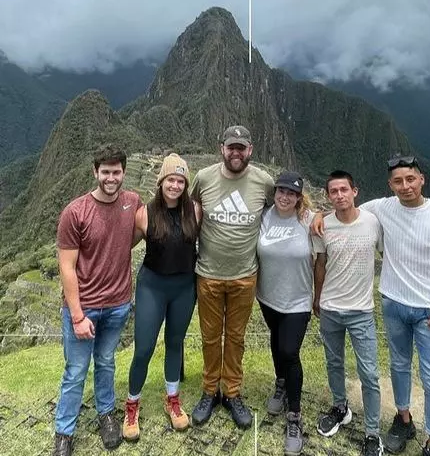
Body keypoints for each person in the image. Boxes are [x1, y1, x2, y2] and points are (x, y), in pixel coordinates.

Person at [361, 155, 430, 456]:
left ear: (422, 179)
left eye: (411, 179)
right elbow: (347, 212)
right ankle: (403, 419)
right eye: (398, 181)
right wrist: (320, 217)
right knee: (398, 366)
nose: (405, 186)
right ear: (390, 185)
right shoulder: (382, 207)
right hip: (393, 303)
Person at [53, 144, 142, 456]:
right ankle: (64, 431)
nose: (111, 178)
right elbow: (66, 266)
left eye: (116, 172)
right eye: (105, 172)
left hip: (118, 304)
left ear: (124, 173)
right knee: (75, 370)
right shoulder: (75, 212)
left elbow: (135, 236)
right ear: (95, 172)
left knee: (106, 362)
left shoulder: (132, 202)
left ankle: (106, 415)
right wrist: (77, 316)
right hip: (85, 307)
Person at [189, 125, 274, 429]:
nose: (236, 153)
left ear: (250, 150)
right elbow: (191, 211)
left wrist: (316, 220)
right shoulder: (203, 179)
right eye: (231, 147)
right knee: (211, 338)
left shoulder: (264, 182)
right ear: (221, 148)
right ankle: (210, 391)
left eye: (242, 147)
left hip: (244, 276)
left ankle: (233, 392)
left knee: (236, 338)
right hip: (208, 275)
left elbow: (282, 211)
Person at [122, 153, 199, 440]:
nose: (175, 185)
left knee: (175, 343)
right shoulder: (144, 213)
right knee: (143, 348)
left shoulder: (195, 212)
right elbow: (122, 247)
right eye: (171, 179)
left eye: (180, 180)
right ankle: (132, 404)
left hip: (183, 288)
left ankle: (173, 399)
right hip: (152, 286)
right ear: (161, 181)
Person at [313, 170, 384, 456]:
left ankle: (372, 433)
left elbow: (387, 254)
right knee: (334, 363)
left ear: (355, 191)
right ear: (328, 196)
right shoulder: (323, 226)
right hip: (330, 308)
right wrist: (317, 299)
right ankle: (340, 407)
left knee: (369, 373)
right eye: (334, 191)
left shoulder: (373, 223)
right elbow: (320, 263)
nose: (339, 195)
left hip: (361, 311)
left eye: (344, 189)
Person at [256, 171, 315, 456]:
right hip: (268, 298)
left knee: (289, 351)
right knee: (277, 343)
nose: (285, 197)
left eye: (291, 193)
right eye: (281, 191)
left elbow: (324, 247)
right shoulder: (265, 216)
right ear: (275, 192)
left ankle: (294, 415)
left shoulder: (308, 220)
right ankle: (280, 383)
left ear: (299, 197)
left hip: (298, 301)